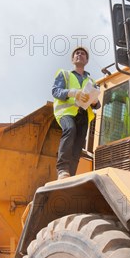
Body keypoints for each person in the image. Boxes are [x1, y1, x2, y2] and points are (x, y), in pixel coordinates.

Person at [52, 46, 100, 180]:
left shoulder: (92, 82)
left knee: (78, 145)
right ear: (73, 59)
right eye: (77, 53)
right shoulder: (64, 74)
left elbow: (97, 105)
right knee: (70, 129)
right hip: (66, 112)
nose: (80, 55)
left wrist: (94, 101)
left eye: (83, 54)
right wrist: (73, 93)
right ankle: (62, 169)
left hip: (83, 115)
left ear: (87, 60)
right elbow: (56, 92)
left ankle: (69, 176)